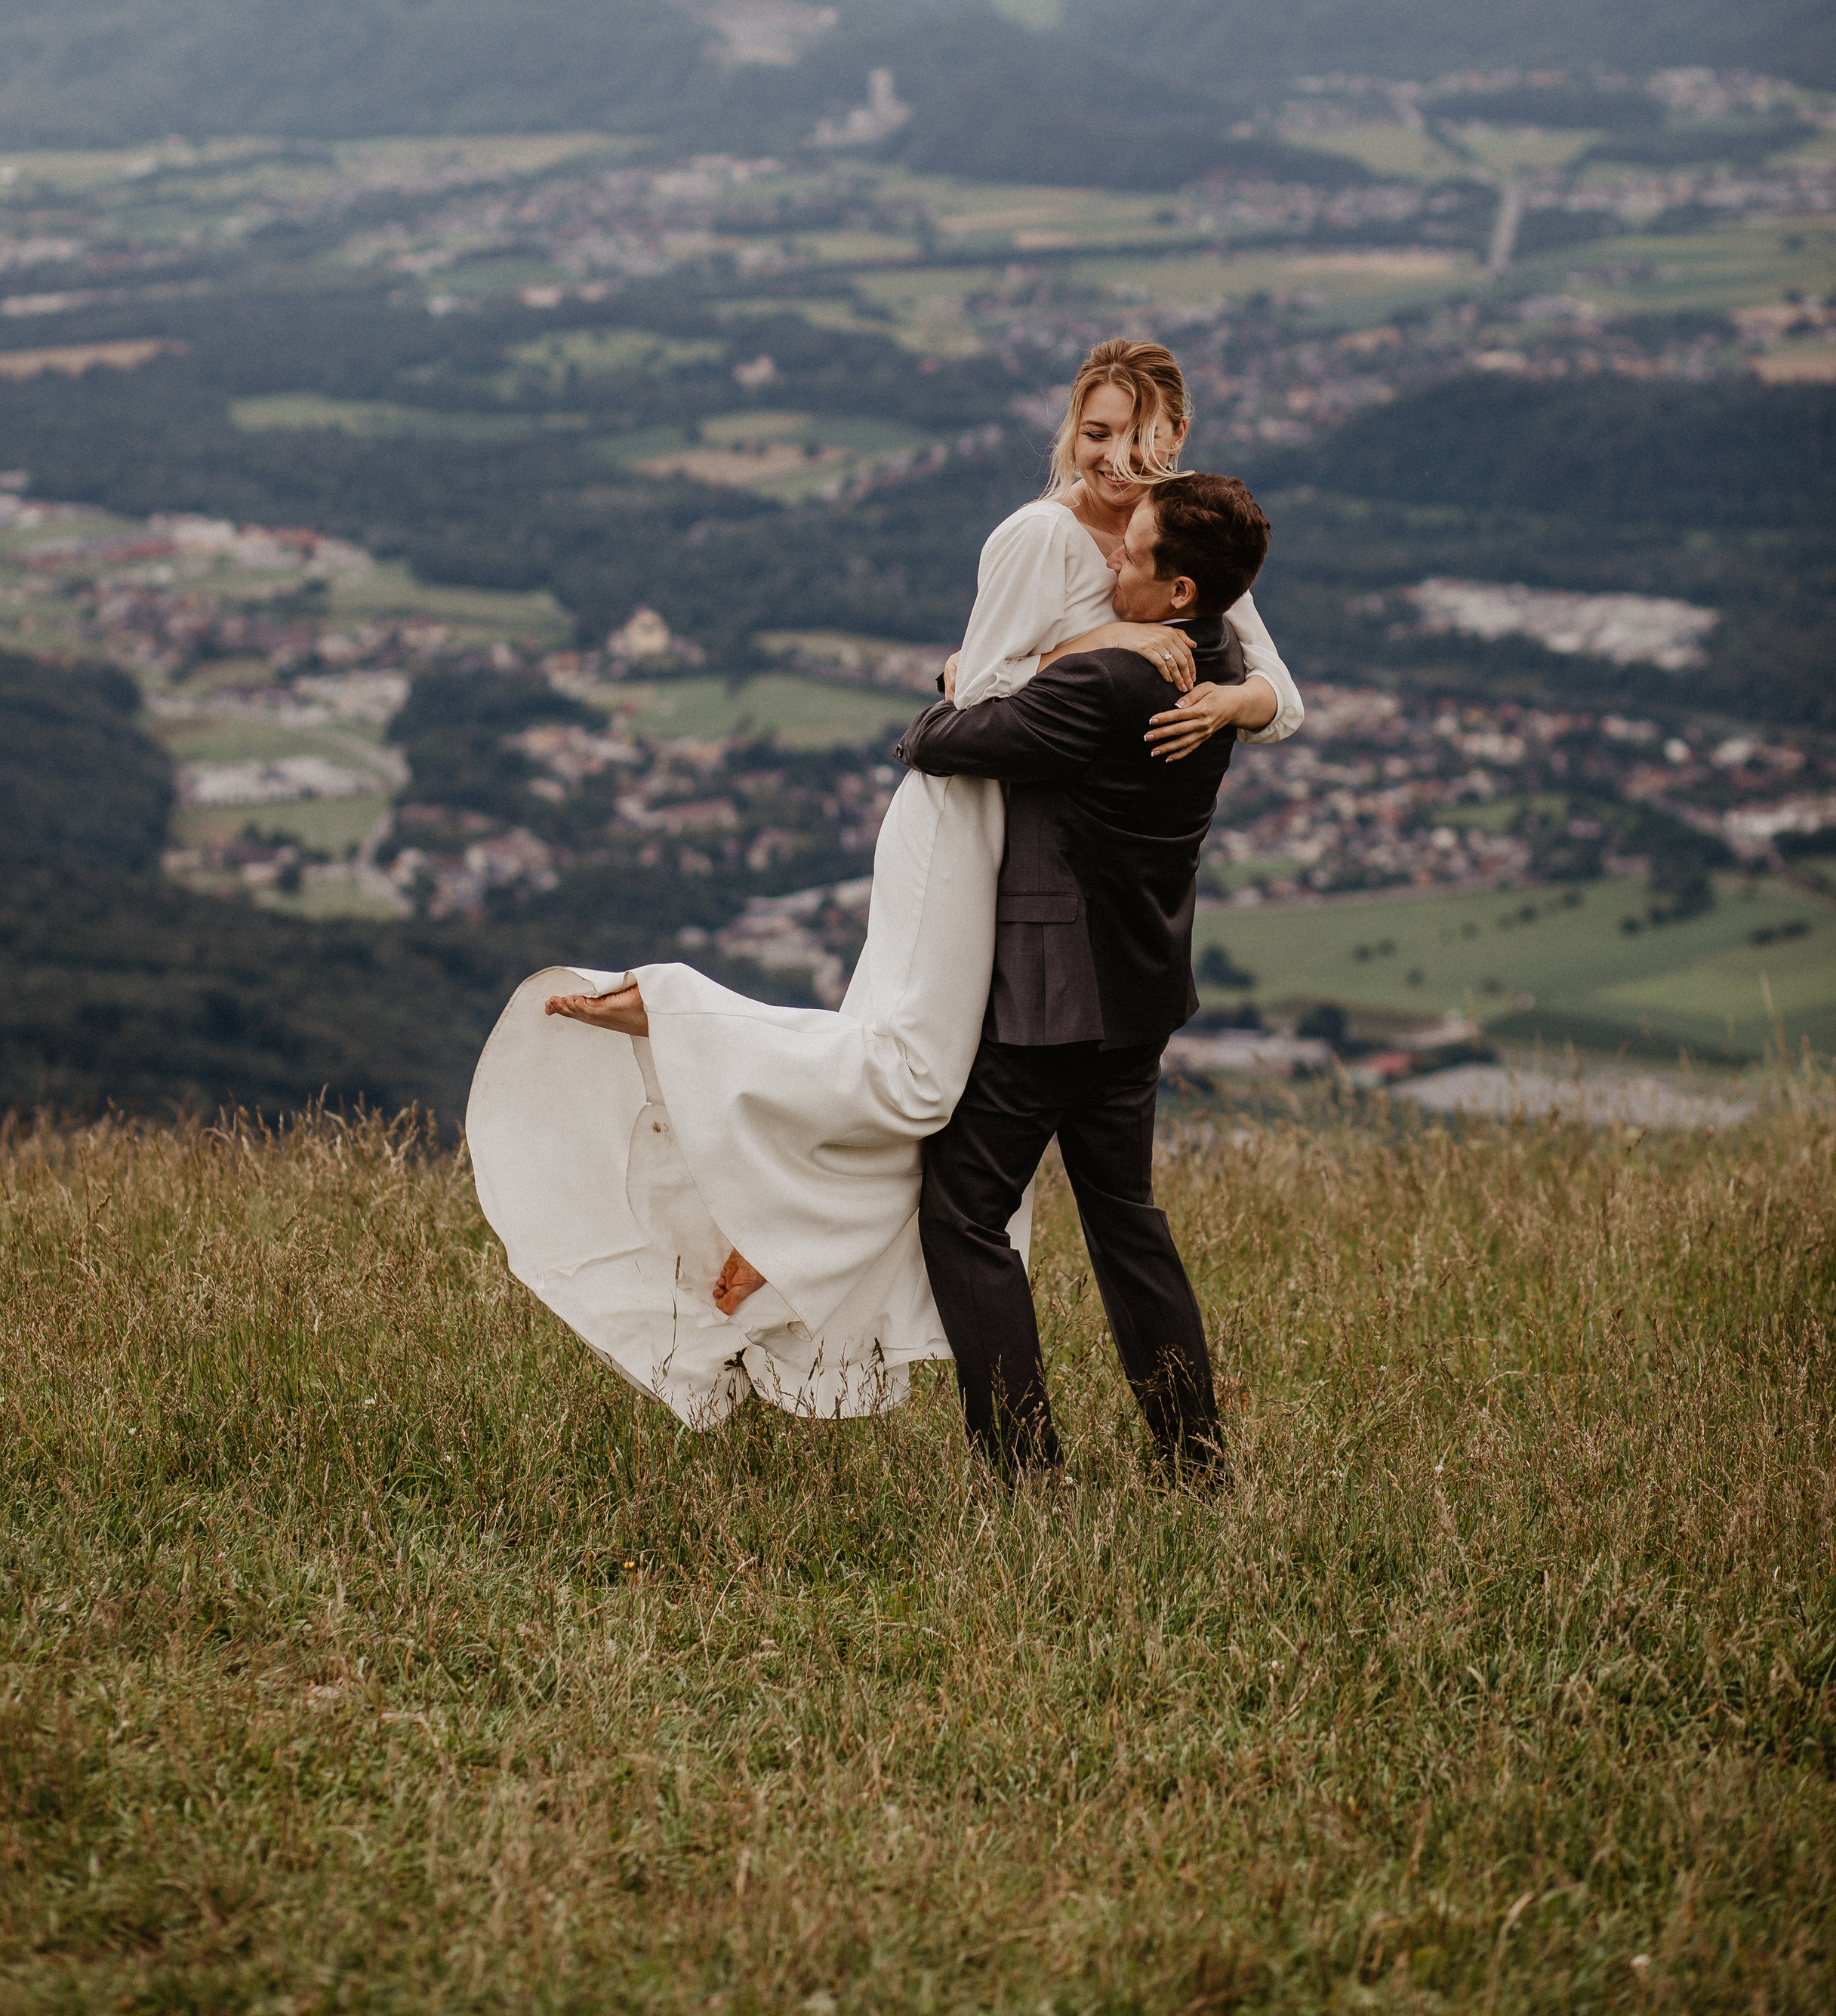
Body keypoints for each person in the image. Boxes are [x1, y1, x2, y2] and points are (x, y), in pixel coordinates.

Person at [465, 339, 1301, 1427]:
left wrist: (1226, 699)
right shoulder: (1064, 549)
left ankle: (695, 1058)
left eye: (1135, 439)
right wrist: (1099, 645)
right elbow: (986, 691)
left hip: (1046, 926)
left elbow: (976, 726)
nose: (1113, 461)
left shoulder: (1177, 559)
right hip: (1019, 877)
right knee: (988, 1126)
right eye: (1093, 434)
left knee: (929, 1123)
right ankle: (1188, 1461)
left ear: (1175, 441)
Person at [896, 471, 1271, 1482]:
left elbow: (938, 740)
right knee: (1125, 1221)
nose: (1110, 559)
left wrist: (971, 671)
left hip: (1054, 1001)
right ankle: (1195, 1460)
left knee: (963, 1213)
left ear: (1180, 590)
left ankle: (1026, 1472)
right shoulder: (1221, 658)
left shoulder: (1108, 683)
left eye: (1132, 552)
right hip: (1140, 997)